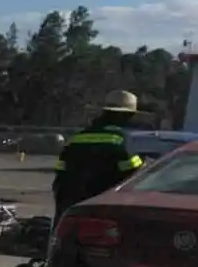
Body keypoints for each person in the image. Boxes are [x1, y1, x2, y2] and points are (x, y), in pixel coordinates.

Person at [53, 90, 144, 220]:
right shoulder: (121, 139)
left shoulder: (78, 137)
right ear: (126, 115)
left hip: (71, 202)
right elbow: (133, 171)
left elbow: (61, 169)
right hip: (103, 203)